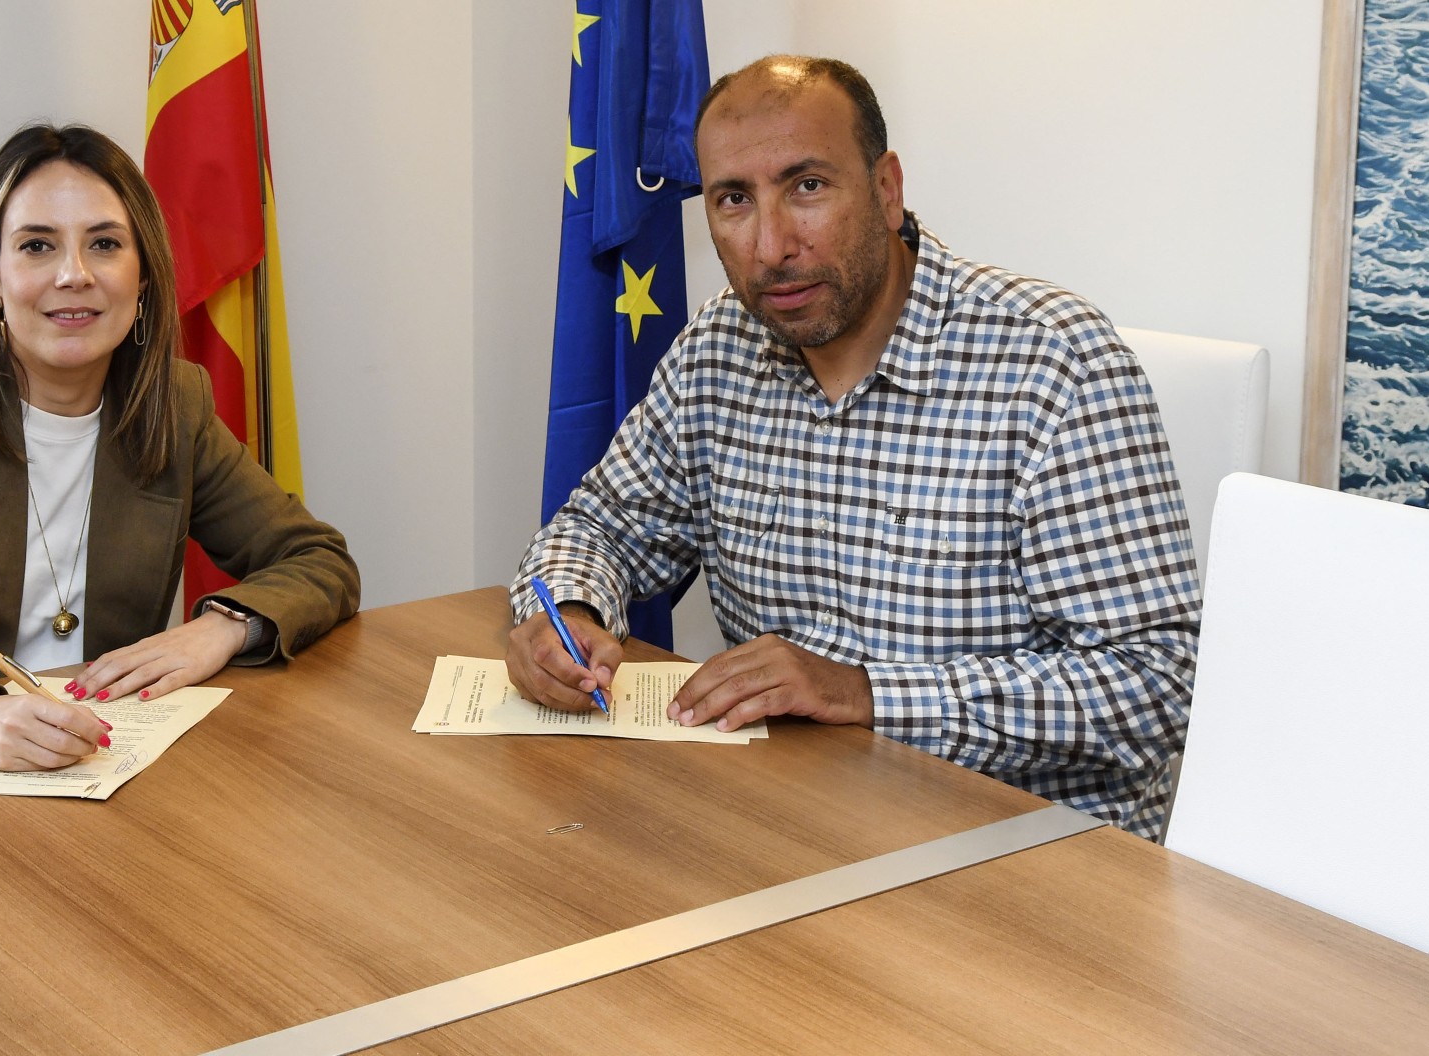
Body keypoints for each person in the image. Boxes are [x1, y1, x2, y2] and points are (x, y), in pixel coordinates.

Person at [508, 56, 1198, 837]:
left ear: (886, 189)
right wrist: (569, 611)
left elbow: (1157, 687)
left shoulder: (1053, 364)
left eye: (807, 186)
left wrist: (865, 693)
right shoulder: (717, 350)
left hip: (1024, 854)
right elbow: (599, 525)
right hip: (796, 824)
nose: (770, 246)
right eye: (734, 200)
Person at [0, 123, 359, 771]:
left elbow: (316, 558)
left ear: (143, 275)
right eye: (37, 246)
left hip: (85, 762)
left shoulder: (173, 406)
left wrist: (221, 627)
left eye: (104, 244)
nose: (74, 275)